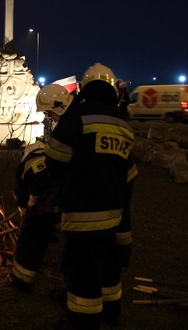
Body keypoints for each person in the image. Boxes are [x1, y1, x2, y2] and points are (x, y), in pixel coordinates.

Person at [45, 63, 137, 329]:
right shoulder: (123, 122)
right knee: (109, 267)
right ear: (112, 89)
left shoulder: (78, 115)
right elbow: (129, 173)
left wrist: (64, 183)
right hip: (114, 216)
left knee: (82, 271)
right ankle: (111, 311)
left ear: (83, 88)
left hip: (82, 213)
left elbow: (55, 157)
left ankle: (83, 321)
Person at [8, 84, 72, 291]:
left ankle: (22, 280)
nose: (49, 116)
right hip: (67, 196)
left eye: (49, 112)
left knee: (32, 237)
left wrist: (27, 212)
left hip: (48, 198)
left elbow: (23, 194)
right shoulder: (71, 123)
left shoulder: (24, 166)